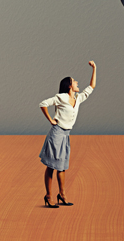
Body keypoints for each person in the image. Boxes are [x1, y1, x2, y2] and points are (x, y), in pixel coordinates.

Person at [38, 60, 96, 208]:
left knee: (62, 166)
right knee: (51, 165)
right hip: (57, 134)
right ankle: (48, 196)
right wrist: (51, 119)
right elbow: (43, 103)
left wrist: (94, 68)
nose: (77, 82)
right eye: (74, 81)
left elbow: (91, 87)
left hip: (66, 135)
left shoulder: (77, 99)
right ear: (69, 86)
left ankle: (62, 195)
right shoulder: (62, 97)